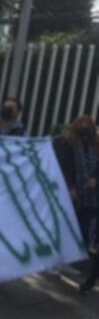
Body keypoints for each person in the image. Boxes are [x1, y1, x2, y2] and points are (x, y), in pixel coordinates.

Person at [54, 116, 99, 294]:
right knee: (67, 226)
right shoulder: (68, 142)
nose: (85, 127)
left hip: (90, 198)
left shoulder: (94, 146)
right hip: (73, 193)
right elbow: (66, 167)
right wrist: (71, 186)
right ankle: (58, 261)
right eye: (82, 124)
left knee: (82, 229)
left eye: (88, 125)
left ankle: (72, 262)